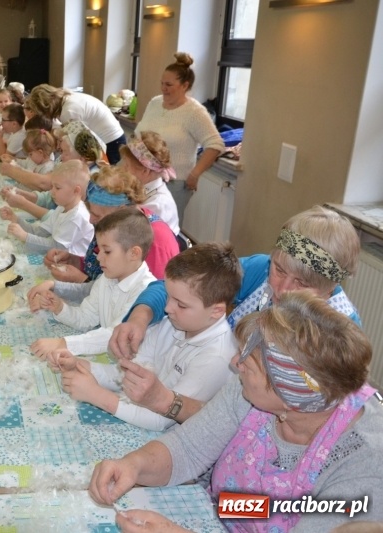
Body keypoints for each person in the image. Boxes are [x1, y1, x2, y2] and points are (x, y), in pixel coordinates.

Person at [90, 291, 383, 532]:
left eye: (247, 361)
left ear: (288, 393)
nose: (234, 363)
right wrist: (133, 465)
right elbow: (189, 447)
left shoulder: (366, 465)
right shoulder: (253, 390)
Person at [110, 206, 361, 423]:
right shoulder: (259, 270)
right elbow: (176, 285)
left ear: (329, 288)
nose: (283, 290)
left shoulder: (337, 335)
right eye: (280, 270)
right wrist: (140, 317)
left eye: (302, 283)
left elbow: (269, 420)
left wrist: (168, 402)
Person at [49, 242, 241, 432]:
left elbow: (161, 419)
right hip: (142, 419)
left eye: (181, 304)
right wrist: (82, 365)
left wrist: (96, 395)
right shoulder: (173, 324)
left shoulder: (215, 358)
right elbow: (128, 375)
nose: (167, 308)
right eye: (169, 296)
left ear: (216, 311)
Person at [27, 165, 178, 306]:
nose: (91, 220)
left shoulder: (153, 242)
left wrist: (80, 279)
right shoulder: (114, 224)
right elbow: (102, 259)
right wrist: (74, 260)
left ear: (122, 210)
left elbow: (138, 303)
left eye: (97, 215)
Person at [30, 209, 156, 359]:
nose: (99, 257)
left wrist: (63, 343)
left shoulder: (146, 292)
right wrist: (59, 308)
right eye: (99, 250)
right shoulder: (107, 278)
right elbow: (86, 318)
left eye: (107, 251)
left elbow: (115, 335)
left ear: (134, 253)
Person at [135, 52, 224, 226]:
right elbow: (139, 134)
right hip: (145, 178)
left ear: (185, 85)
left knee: (165, 229)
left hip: (175, 183)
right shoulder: (154, 103)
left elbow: (216, 144)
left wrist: (195, 174)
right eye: (162, 83)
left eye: (169, 84)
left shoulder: (194, 112)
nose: (163, 88)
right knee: (141, 227)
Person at [0, 160, 93, 256]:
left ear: (76, 191)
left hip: (72, 264)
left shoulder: (76, 217)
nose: (52, 192)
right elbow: (39, 232)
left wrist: (25, 236)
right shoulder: (62, 208)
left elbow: (57, 247)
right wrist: (15, 219)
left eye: (57, 188)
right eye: (52, 186)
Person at [27, 84, 126, 164]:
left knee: (110, 181)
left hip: (111, 141)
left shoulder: (69, 111)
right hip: (112, 137)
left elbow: (76, 143)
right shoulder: (68, 97)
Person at [119, 131, 181, 246]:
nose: (123, 168)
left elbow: (132, 237)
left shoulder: (157, 205)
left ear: (145, 170)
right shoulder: (141, 188)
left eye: (127, 165)